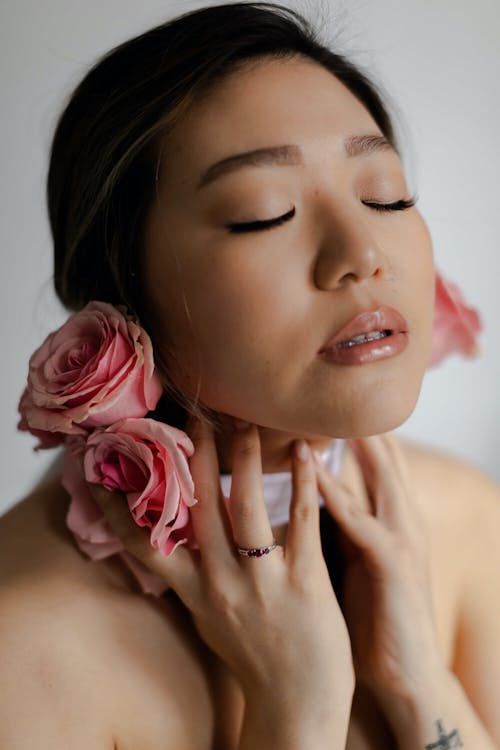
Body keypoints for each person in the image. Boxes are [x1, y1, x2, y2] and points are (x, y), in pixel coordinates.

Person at [1, 3, 499, 748]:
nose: (362, 252)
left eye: (387, 194)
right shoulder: (26, 636)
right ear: (123, 292)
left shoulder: (463, 518)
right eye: (263, 214)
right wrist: (297, 711)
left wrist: (420, 678)